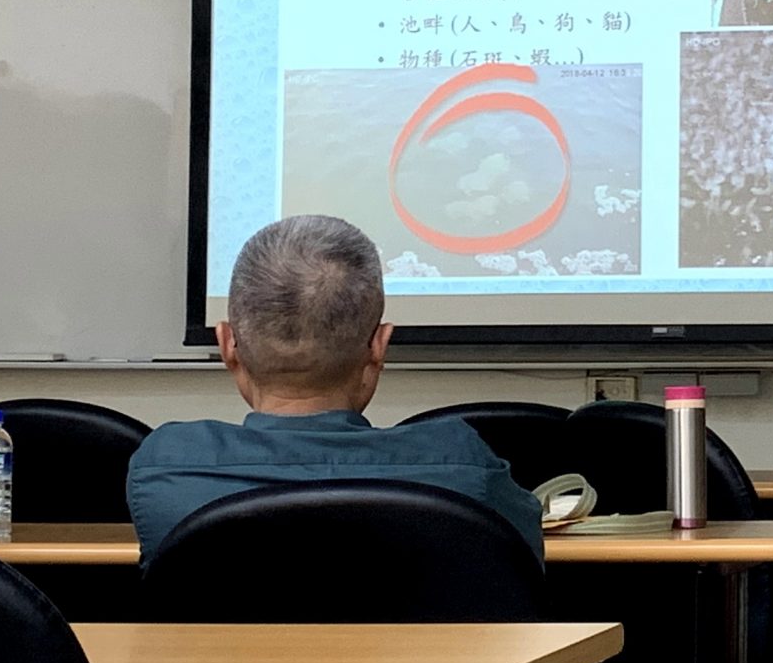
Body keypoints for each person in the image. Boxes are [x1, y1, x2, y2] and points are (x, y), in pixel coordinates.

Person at [126, 214, 542, 555]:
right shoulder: (462, 464)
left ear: (227, 344)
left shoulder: (166, 464)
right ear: (378, 346)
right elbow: (525, 561)